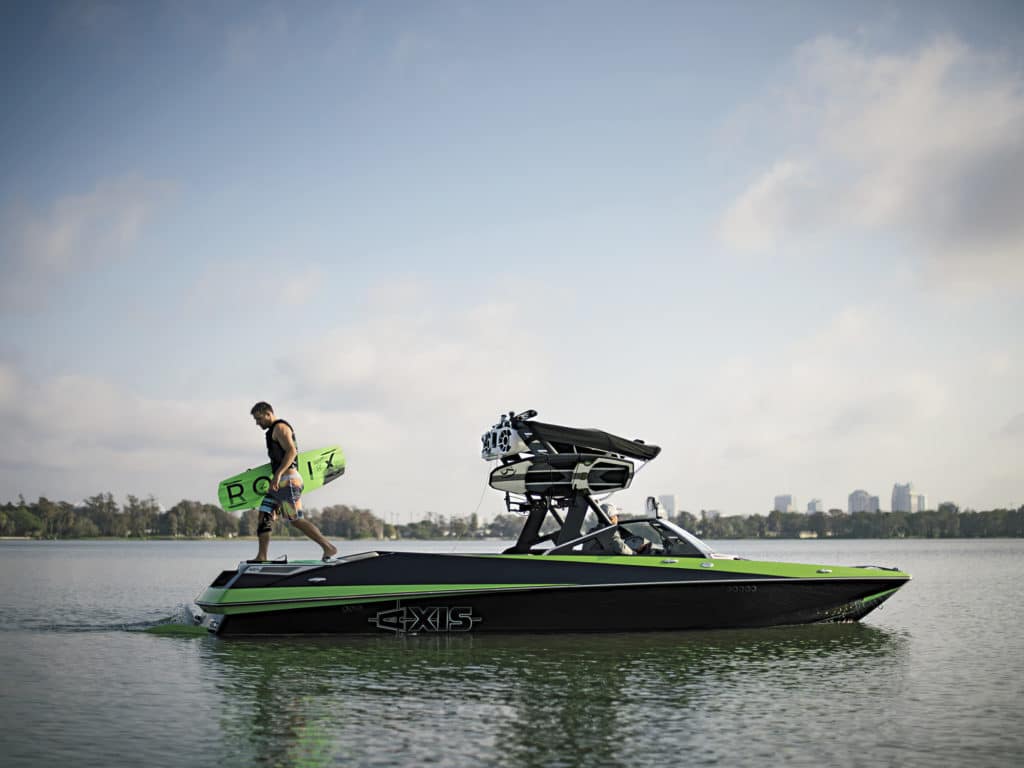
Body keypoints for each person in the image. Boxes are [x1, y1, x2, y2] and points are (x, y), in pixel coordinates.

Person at [248, 401, 338, 563]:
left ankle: (328, 547)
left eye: (259, 419)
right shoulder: (272, 431)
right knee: (264, 515)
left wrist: (278, 475)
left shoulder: (280, 428)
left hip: (288, 481)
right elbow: (277, 459)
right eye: (256, 420)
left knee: (295, 520)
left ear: (269, 414)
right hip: (279, 483)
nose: (258, 423)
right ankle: (262, 556)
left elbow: (291, 451)